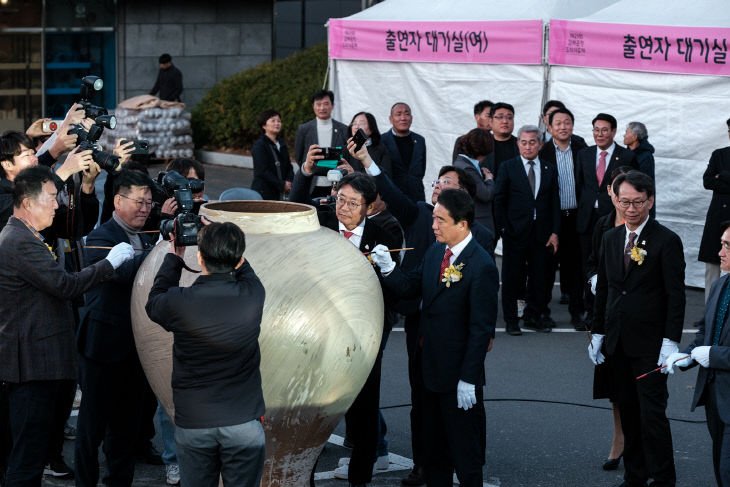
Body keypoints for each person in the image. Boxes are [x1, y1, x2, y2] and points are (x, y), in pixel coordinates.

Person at [350, 139, 494, 486]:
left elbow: (481, 329)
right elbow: (410, 286)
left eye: (440, 221)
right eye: (433, 219)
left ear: (462, 222)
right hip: (428, 367)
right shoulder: (434, 253)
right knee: (435, 455)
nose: (433, 226)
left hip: (458, 374)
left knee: (465, 454)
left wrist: (469, 379)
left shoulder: (481, 264)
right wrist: (387, 268)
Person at [0, 165, 133, 486]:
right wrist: (109, 264)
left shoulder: (25, 235)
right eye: (51, 198)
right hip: (32, 367)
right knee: (26, 460)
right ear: (28, 203)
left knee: (30, 454)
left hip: (41, 364)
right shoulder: (19, 240)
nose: (57, 204)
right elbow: (65, 285)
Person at [145, 221, 266, 487]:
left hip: (194, 422)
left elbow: (154, 300)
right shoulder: (253, 295)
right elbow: (244, 268)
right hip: (243, 422)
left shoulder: (179, 302)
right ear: (237, 257)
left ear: (199, 257)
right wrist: (227, 240)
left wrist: (174, 258)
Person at [590, 170, 684, 487]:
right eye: (625, 201)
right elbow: (605, 290)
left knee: (652, 416)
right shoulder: (610, 237)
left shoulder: (667, 241)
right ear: (615, 199)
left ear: (650, 200)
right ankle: (635, 475)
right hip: (617, 342)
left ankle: (663, 477)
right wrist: (598, 332)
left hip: (651, 345)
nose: (631, 209)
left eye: (638, 202)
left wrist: (670, 342)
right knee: (628, 412)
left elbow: (676, 296)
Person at [74, 170, 157, 487]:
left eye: (149, 202)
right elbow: (122, 275)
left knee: (126, 428)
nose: (144, 208)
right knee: (91, 428)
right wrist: (159, 251)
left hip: (136, 350)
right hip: (102, 347)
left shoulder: (148, 235)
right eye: (138, 201)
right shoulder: (101, 237)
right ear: (117, 200)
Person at [665, 220, 730, 487]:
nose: (720, 252)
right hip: (716, 396)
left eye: (727, 245)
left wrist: (712, 355)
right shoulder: (719, 285)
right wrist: (687, 355)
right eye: (722, 244)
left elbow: (712, 348)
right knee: (720, 468)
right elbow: (706, 332)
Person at [585, 167, 633, 472]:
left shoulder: (648, 230)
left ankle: (639, 442)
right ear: (611, 194)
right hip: (604, 311)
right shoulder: (602, 225)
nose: (626, 202)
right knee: (613, 383)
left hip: (635, 317)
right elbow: (590, 261)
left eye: (633, 198)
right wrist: (593, 278)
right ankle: (619, 439)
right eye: (620, 195)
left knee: (638, 386)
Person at [494, 125, 560, 335]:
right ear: (518, 144)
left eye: (533, 142)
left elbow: (554, 203)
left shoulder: (549, 168)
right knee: (512, 277)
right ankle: (512, 320)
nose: (528, 146)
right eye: (524, 142)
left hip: (541, 233)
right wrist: (504, 227)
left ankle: (533, 317)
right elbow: (499, 200)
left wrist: (554, 231)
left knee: (539, 277)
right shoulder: (508, 167)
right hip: (515, 232)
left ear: (540, 145)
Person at [576, 113, 638, 329]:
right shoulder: (584, 154)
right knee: (589, 265)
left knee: (615, 264)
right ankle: (589, 311)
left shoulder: (626, 155)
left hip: (615, 217)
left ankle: (611, 310)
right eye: (596, 130)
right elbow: (579, 185)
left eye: (604, 130)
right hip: (587, 219)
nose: (599, 134)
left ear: (613, 131)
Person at [538, 108, 588, 329]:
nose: (563, 127)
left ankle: (578, 313)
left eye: (567, 122)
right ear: (549, 128)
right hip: (552, 219)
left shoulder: (582, 149)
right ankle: (543, 313)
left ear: (573, 125)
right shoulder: (543, 152)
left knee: (577, 268)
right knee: (546, 268)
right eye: (557, 123)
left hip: (577, 217)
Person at [293, 90, 349, 196]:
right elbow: (298, 156)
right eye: (318, 104)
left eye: (326, 104)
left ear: (332, 105)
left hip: (337, 185)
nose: (322, 108)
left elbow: (346, 155)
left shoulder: (343, 129)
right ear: (313, 106)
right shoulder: (304, 129)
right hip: (311, 183)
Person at [699, 118, 730, 301]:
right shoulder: (718, 154)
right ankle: (708, 313)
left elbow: (716, 180)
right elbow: (707, 181)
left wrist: (724, 176)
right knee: (712, 265)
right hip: (717, 217)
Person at [380, 102, 427, 203]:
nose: (403, 118)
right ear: (391, 119)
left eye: (407, 114)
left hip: (416, 197)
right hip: (392, 197)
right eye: (398, 114)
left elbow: (421, 169)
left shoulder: (419, 140)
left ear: (411, 118)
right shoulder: (382, 141)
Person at [453, 128, 495, 231]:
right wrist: (489, 179)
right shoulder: (467, 168)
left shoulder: (462, 163)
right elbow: (485, 194)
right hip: (477, 225)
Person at [251, 109, 293, 200]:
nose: (277, 123)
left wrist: (289, 182)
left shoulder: (281, 143)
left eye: (279, 121)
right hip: (264, 192)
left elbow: (288, 166)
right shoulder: (260, 145)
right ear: (264, 125)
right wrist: (282, 184)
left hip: (280, 192)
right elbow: (262, 171)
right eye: (273, 121)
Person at [623, 121, 656, 217]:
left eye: (626, 132)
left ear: (635, 137)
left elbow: (644, 183)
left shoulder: (646, 157)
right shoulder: (625, 154)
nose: (624, 135)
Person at [482, 102, 518, 180]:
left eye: (509, 117)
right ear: (491, 121)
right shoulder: (481, 144)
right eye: (500, 117)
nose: (505, 121)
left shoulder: (522, 145)